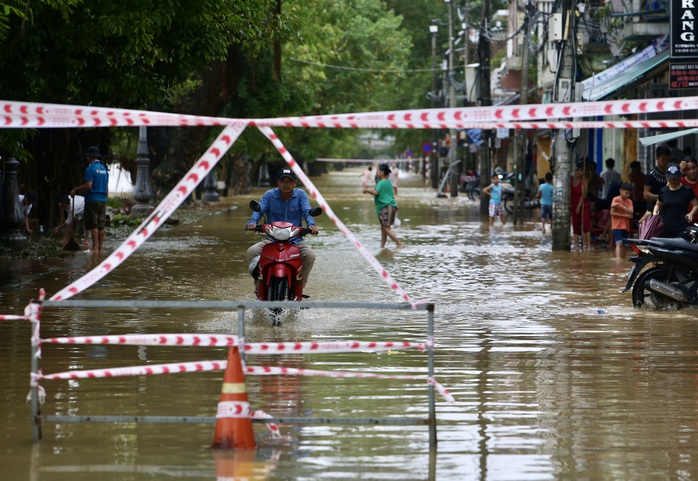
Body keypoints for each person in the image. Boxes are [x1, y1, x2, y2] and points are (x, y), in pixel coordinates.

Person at [246, 168, 319, 287]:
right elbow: (259, 209)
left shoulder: (301, 195)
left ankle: (300, 286)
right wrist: (252, 223)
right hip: (272, 240)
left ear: (294, 183)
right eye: (283, 181)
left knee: (310, 256)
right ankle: (259, 285)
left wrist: (311, 225)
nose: (286, 184)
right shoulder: (269, 195)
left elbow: (307, 211)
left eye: (289, 181)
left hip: (295, 240)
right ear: (278, 183)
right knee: (252, 252)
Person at [70, 146, 109, 253]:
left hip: (92, 199)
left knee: (93, 224)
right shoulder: (104, 169)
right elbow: (106, 188)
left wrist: (75, 189)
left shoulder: (89, 169)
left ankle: (94, 247)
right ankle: (100, 248)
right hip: (103, 200)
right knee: (101, 225)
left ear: (89, 157)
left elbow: (88, 186)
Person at [363, 163, 404, 248]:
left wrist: (366, 190)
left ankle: (399, 243)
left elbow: (375, 192)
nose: (377, 172)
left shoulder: (381, 183)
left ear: (382, 172)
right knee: (384, 228)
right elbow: (390, 195)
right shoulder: (388, 182)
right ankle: (382, 246)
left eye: (378, 171)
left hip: (385, 207)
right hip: (391, 206)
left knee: (386, 228)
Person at [653, 163, 698, 238]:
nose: (673, 180)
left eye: (675, 178)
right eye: (670, 178)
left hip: (682, 227)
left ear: (679, 176)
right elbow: (658, 204)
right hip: (666, 227)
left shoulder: (687, 190)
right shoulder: (663, 191)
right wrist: (655, 212)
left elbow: (695, 205)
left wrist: (691, 214)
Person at [643, 144, 671, 220]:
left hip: (670, 211)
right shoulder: (651, 174)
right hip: (654, 211)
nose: (666, 162)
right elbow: (646, 194)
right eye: (663, 159)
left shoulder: (671, 174)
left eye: (668, 159)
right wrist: (660, 197)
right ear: (657, 158)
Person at [610, 183, 634, 258]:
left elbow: (631, 211)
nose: (628, 195)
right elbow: (612, 213)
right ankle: (618, 259)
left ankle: (622, 259)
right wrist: (625, 215)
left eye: (629, 194)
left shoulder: (629, 201)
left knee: (626, 245)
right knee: (619, 243)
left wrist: (621, 207)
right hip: (617, 225)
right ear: (621, 191)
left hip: (626, 226)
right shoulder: (616, 199)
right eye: (626, 193)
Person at [571, 163, 591, 251]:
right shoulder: (571, 180)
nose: (579, 172)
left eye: (581, 171)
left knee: (585, 225)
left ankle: (588, 245)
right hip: (573, 205)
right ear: (575, 171)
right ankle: (575, 245)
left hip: (583, 206)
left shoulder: (584, 182)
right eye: (578, 170)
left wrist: (579, 206)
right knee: (575, 225)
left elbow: (584, 195)